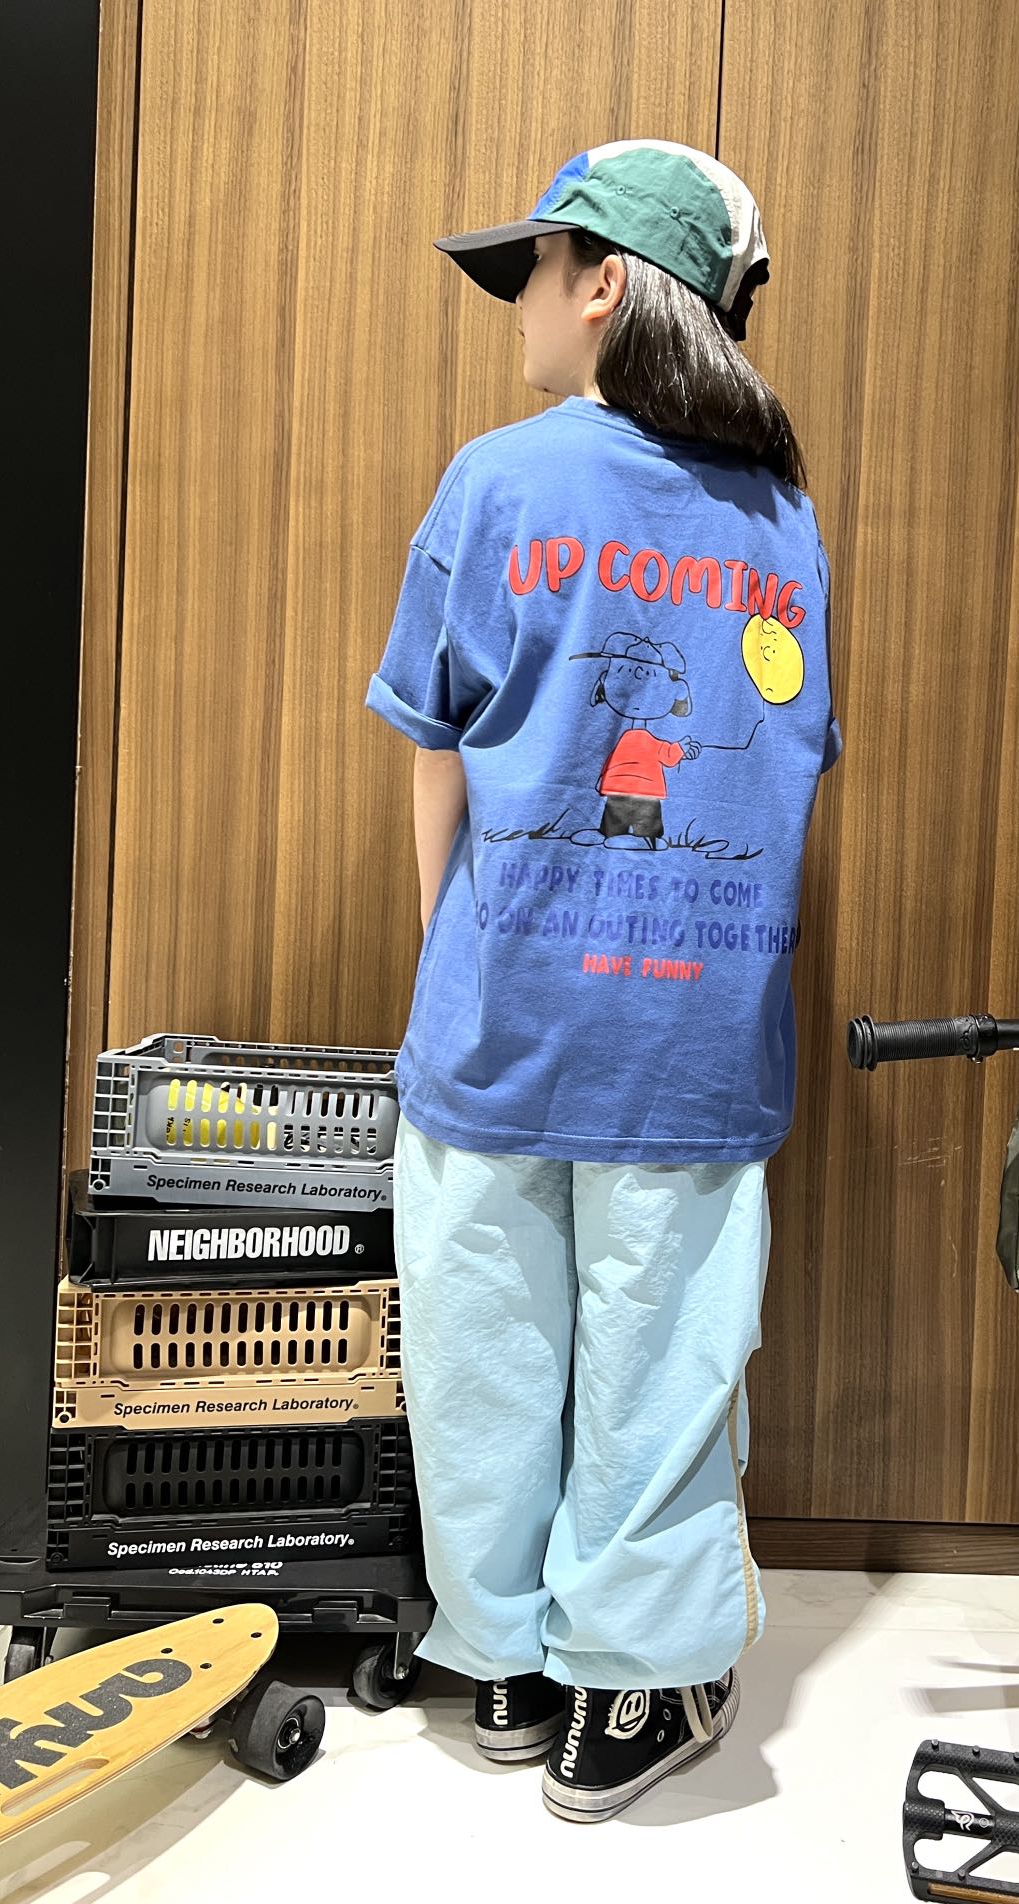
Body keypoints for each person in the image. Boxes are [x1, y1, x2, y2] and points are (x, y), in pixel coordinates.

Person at [365, 139, 843, 1824]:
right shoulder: (781, 517)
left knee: (484, 1348)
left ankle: (499, 1658)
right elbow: (785, 758)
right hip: (694, 1022)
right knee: (660, 1352)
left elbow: (437, 748)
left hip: (503, 1004)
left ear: (611, 288)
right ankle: (624, 1691)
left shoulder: (495, 482)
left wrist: (453, 951)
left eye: (536, 269)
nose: (518, 300)